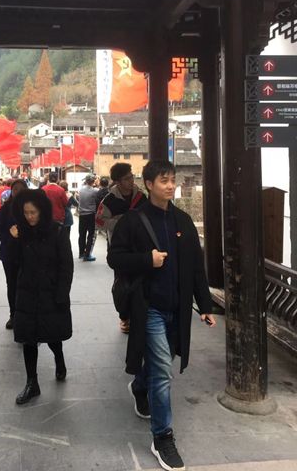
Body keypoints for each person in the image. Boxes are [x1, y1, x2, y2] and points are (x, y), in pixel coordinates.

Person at [107, 160, 215, 471]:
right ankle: (162, 437)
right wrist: (147, 259)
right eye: (164, 180)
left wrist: (205, 305)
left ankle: (139, 386)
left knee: (160, 365)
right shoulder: (133, 221)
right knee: (164, 373)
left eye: (172, 180)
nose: (170, 186)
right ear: (149, 184)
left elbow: (196, 266)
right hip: (150, 307)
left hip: (177, 308)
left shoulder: (183, 220)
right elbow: (115, 258)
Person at [9, 189, 74, 405]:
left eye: (33, 212)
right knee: (28, 338)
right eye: (26, 212)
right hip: (27, 291)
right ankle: (32, 383)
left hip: (51, 291)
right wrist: (13, 240)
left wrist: (62, 292)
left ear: (42, 211)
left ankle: (59, 358)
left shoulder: (57, 231)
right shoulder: (21, 232)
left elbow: (66, 265)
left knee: (52, 335)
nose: (29, 217)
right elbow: (12, 262)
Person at [96, 163, 147, 334]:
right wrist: (121, 223)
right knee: (123, 283)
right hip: (119, 249)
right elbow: (99, 221)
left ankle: (139, 314)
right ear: (118, 182)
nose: (131, 180)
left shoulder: (141, 197)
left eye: (132, 177)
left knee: (141, 281)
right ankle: (124, 316)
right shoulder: (109, 200)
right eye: (127, 178)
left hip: (141, 247)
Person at [0, 178, 28, 329]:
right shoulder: (6, 208)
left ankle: (28, 314)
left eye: (21, 189)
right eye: (15, 189)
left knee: (28, 284)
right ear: (11, 191)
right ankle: (13, 315)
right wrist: (9, 235)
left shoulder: (32, 207)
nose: (18, 192)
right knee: (12, 285)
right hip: (10, 254)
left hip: (29, 253)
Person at [78, 175, 99, 261]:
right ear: (93, 182)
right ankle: (87, 254)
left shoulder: (80, 189)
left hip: (82, 215)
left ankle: (81, 252)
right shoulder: (95, 191)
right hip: (91, 214)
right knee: (91, 235)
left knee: (82, 234)